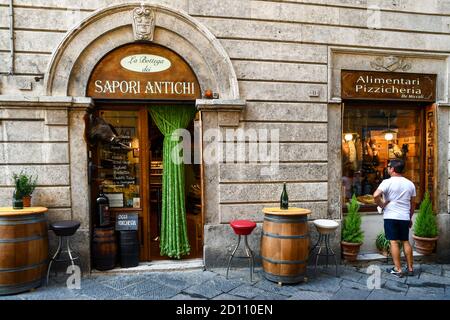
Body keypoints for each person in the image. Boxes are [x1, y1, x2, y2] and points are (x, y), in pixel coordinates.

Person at [373, 159, 416, 277]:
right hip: (404, 217)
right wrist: (410, 217)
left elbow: (375, 195)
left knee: (393, 242)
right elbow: (413, 204)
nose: (387, 168)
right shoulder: (410, 184)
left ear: (392, 169)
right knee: (405, 241)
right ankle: (411, 268)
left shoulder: (387, 182)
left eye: (388, 167)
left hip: (391, 216)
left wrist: (381, 205)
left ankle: (398, 269)